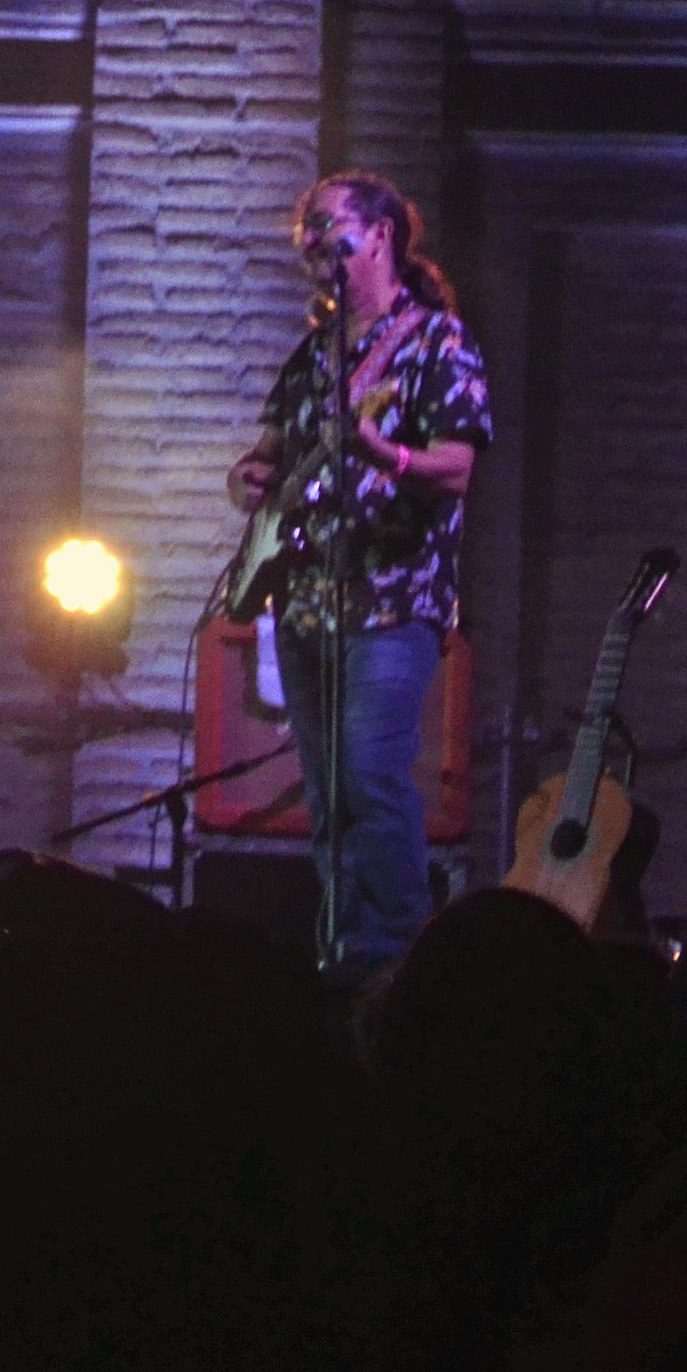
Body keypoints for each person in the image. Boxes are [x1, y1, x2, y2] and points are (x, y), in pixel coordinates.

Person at [226, 167, 491, 978]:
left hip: (392, 597)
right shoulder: (314, 355)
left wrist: (389, 452)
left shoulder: (436, 342)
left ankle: (398, 960)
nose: (314, 239)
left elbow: (457, 467)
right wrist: (251, 478)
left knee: (375, 777)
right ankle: (340, 951)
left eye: (329, 223)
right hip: (304, 599)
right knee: (328, 791)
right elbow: (263, 456)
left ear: (380, 235)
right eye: (308, 228)